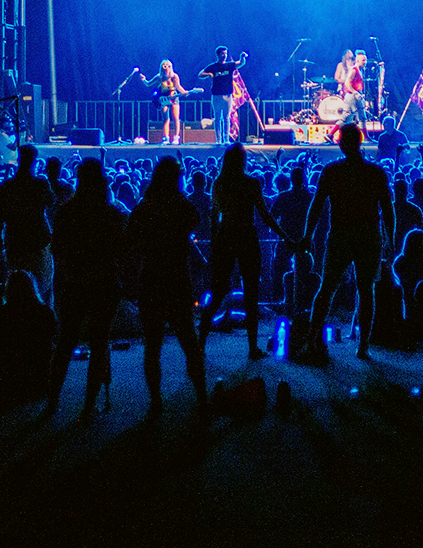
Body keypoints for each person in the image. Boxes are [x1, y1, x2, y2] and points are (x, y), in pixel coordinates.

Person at [297, 124, 395, 363]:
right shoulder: (376, 172)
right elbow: (388, 209)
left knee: (327, 287)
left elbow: (317, 205)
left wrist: (308, 235)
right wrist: (390, 238)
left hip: (341, 234)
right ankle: (363, 346)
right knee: (366, 290)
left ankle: (312, 338)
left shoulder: (332, 171)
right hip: (368, 235)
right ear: (360, 142)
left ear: (341, 144)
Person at [125, 157, 207, 413]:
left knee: (153, 345)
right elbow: (196, 221)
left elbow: (130, 242)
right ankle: (202, 395)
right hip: (177, 277)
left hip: (151, 278)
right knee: (188, 341)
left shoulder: (144, 207)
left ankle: (156, 400)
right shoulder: (182, 206)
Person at [46, 159, 126, 419]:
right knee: (99, 343)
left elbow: (56, 248)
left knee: (66, 342)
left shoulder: (67, 211)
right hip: (104, 282)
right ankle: (89, 406)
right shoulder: (111, 213)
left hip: (75, 282)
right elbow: (122, 252)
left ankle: (53, 400)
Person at [199, 144, 293, 360]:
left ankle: (201, 342)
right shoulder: (251, 183)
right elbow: (264, 214)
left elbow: (214, 218)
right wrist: (284, 235)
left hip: (226, 236)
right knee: (251, 293)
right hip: (247, 237)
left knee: (218, 291)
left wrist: (214, 245)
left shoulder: (219, 183)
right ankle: (252, 348)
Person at [0, 145, 54, 302]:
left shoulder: (7, 186)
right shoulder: (40, 184)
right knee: (42, 286)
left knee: (16, 284)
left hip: (15, 240)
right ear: (34, 161)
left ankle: (16, 318)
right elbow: (51, 202)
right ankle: (42, 318)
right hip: (37, 241)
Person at [0, 270, 56, 404]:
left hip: (5, 376)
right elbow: (51, 338)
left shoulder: (1, 313)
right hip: (37, 375)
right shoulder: (44, 312)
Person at [198, 46, 249, 141]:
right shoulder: (213, 66)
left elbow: (240, 63)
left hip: (228, 95)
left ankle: (226, 139)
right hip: (216, 95)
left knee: (226, 117)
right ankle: (218, 139)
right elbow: (200, 75)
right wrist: (209, 74)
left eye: (226, 53)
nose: (224, 55)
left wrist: (242, 57)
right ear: (218, 55)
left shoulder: (229, 65)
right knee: (217, 117)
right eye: (222, 54)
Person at [145, 59, 188, 145]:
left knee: (176, 118)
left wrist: (184, 92)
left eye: (168, 66)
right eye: (164, 66)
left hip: (173, 98)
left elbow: (178, 87)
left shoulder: (174, 76)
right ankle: (166, 138)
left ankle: (176, 137)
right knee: (165, 118)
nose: (166, 68)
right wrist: (143, 79)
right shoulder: (159, 77)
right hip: (164, 98)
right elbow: (148, 84)